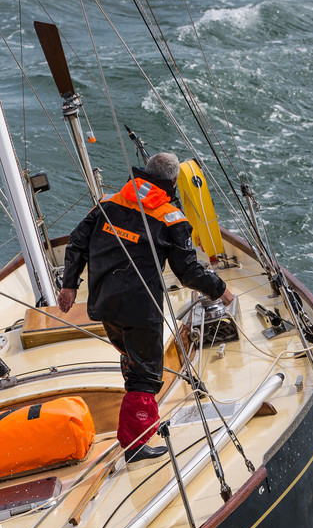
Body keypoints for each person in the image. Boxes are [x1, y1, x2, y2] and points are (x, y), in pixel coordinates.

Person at [57, 152, 233, 460]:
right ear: (173, 182)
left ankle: (136, 414)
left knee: (133, 357)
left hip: (104, 305)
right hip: (140, 309)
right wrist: (220, 290)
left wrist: (69, 285)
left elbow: (77, 243)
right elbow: (187, 272)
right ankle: (136, 444)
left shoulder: (108, 203)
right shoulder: (171, 218)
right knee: (146, 377)